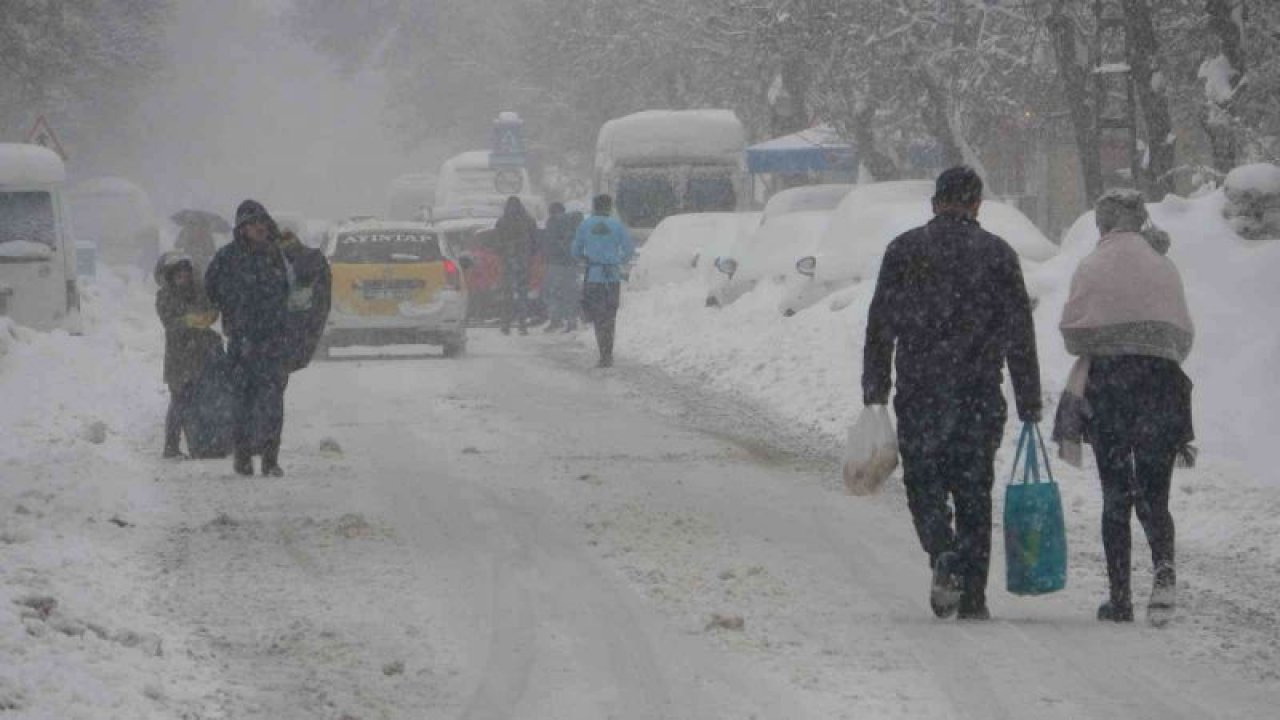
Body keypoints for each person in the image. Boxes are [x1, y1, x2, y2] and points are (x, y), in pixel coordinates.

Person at [862, 166, 1042, 621]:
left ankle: (943, 551)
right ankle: (974, 596)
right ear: (977, 204)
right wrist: (1029, 395)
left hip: (921, 391)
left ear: (935, 202)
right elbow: (1020, 332)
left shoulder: (904, 251)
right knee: (973, 490)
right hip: (979, 394)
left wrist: (875, 386)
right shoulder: (999, 255)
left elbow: (881, 323)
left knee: (923, 483)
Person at [1057, 189, 1194, 623]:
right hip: (1163, 388)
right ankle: (1164, 572)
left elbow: (1072, 335)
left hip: (1110, 391)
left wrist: (1113, 341)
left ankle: (1120, 599)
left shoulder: (1092, 265)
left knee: (1116, 495)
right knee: (1155, 495)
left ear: (1103, 223)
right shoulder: (1165, 266)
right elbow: (1183, 337)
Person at [204, 200, 291, 477]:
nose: (259, 228)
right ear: (242, 228)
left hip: (273, 341)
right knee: (242, 403)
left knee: (273, 403)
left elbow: (290, 289)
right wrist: (233, 307)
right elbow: (211, 289)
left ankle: (270, 459)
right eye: (253, 224)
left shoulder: (275, 254)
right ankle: (242, 457)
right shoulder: (226, 258)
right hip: (242, 343)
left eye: (262, 223)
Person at [154, 252, 222, 459]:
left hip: (202, 353)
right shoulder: (164, 296)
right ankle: (171, 446)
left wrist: (208, 317)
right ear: (171, 276)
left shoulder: (199, 291)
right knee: (179, 400)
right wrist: (188, 321)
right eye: (179, 274)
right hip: (179, 356)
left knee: (204, 401)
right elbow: (169, 323)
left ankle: (205, 443)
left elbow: (212, 310)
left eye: (186, 273)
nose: (184, 277)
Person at [572, 194, 634, 368]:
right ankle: (608, 353)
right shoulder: (617, 225)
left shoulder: (585, 225)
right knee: (610, 315)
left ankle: (603, 354)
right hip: (612, 277)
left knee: (598, 316)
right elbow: (629, 249)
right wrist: (616, 260)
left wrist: (585, 257)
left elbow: (575, 250)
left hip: (594, 275)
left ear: (594, 206)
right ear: (609, 207)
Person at [277, 227, 332, 371]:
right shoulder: (314, 260)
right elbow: (322, 304)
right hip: (297, 331)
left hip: (289, 334)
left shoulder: (311, 261)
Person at [493, 196, 538, 335]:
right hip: (523, 261)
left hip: (508, 262)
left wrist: (505, 251)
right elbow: (535, 242)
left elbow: (496, 244)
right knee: (522, 295)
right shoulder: (528, 221)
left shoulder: (502, 222)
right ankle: (522, 325)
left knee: (507, 294)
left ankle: (506, 324)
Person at [540, 202, 584, 332]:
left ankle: (556, 320)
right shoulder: (572, 223)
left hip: (556, 263)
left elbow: (550, 242)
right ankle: (571, 321)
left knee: (553, 292)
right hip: (570, 263)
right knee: (569, 293)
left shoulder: (553, 222)